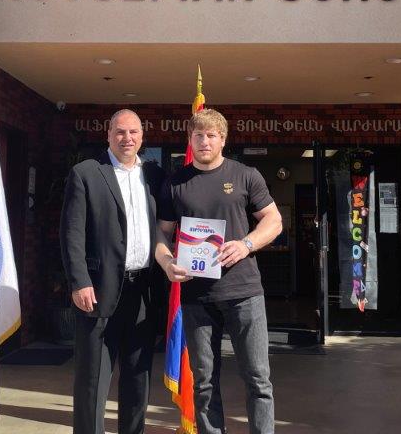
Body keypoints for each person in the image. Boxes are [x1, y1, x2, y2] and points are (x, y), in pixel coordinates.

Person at [155, 109, 283, 434]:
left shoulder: (245, 175)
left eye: (211, 135)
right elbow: (162, 233)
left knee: (258, 379)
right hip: (197, 297)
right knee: (204, 381)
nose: (204, 141)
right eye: (198, 135)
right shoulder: (175, 183)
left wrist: (246, 244)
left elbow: (274, 220)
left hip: (244, 293)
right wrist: (167, 262)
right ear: (190, 140)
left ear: (223, 139)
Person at [60, 109, 164, 434]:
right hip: (98, 291)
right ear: (108, 135)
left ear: (142, 137)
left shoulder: (155, 176)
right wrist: (79, 281)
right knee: (92, 382)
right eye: (120, 132)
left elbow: (168, 226)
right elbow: (71, 233)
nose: (127, 138)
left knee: (137, 380)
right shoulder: (87, 173)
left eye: (133, 132)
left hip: (143, 293)